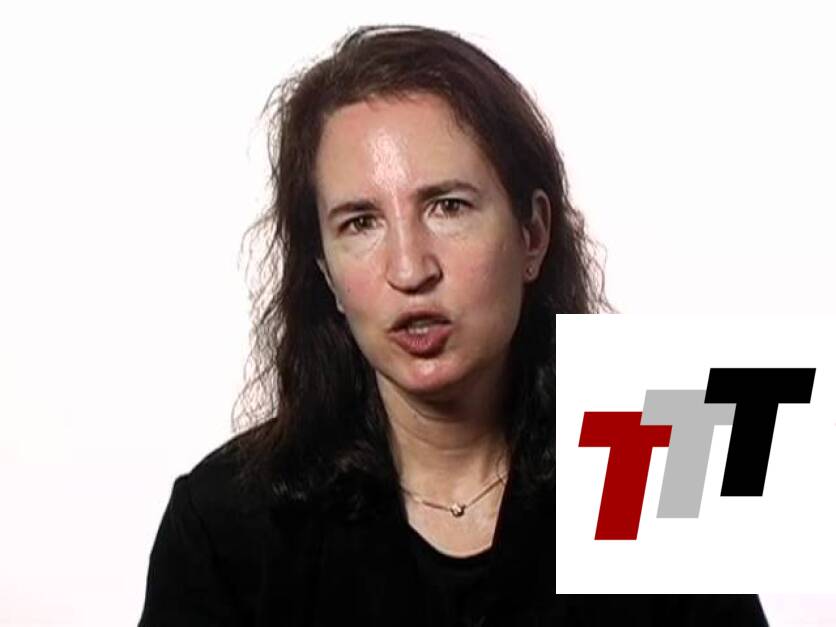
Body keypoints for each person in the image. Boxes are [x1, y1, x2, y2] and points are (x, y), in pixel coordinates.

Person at [138, 24, 769, 626]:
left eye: (447, 206)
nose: (410, 269)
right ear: (326, 272)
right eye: (360, 223)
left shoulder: (661, 470)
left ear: (532, 234)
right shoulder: (224, 527)